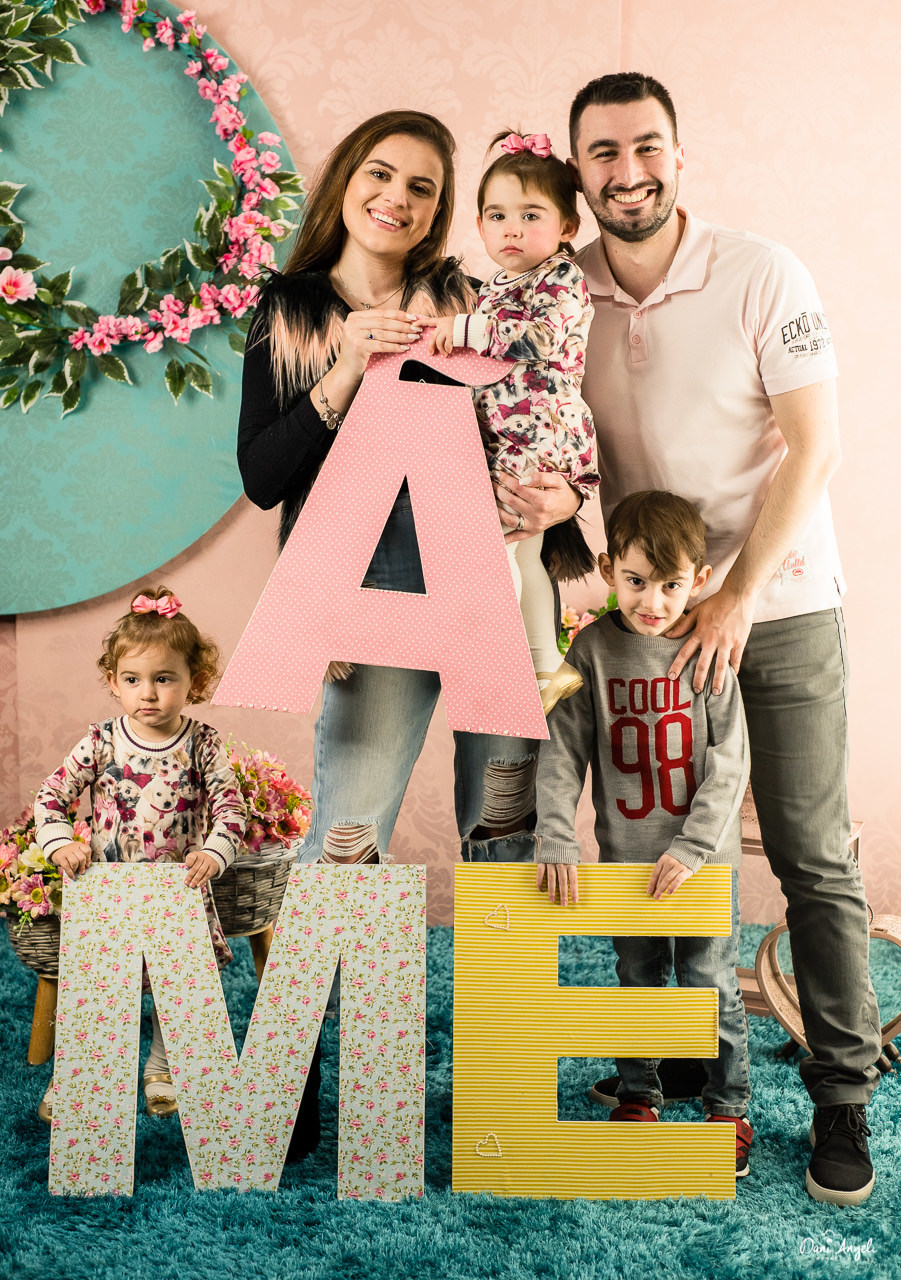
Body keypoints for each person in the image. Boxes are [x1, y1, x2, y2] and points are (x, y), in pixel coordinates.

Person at [236, 110, 582, 1152]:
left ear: (440, 212)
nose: (396, 197)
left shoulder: (469, 299)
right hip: (371, 593)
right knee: (346, 839)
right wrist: (346, 366)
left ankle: (504, 1089)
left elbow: (541, 412)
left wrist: (567, 500)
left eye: (423, 187)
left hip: (485, 585)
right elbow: (263, 477)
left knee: (502, 835)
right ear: (346, 179)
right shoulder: (291, 310)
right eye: (381, 174)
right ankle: (284, 1088)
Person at [564, 71, 881, 1206]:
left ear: (679, 154)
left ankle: (842, 1090)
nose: (628, 171)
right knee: (649, 857)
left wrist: (736, 594)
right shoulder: (558, 292)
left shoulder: (761, 271)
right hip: (645, 627)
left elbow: (815, 445)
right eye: (603, 153)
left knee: (810, 853)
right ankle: (660, 1072)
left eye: (646, 146)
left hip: (774, 607)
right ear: (577, 170)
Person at [536, 490, 753, 1176]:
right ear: (607, 569)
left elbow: (729, 762)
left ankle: (729, 1107)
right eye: (635, 581)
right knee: (636, 979)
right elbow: (561, 752)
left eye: (669, 585)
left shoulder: (703, 649)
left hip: (700, 863)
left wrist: (692, 848)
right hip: (626, 860)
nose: (651, 602)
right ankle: (638, 1094)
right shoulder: (591, 651)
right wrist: (556, 837)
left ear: (699, 580)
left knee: (709, 981)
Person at [33, 586, 245, 1124]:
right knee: (100, 989)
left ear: (195, 681)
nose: (147, 694)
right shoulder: (101, 742)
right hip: (111, 894)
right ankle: (78, 1073)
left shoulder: (203, 744)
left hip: (179, 892)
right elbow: (51, 796)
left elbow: (231, 808)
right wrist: (61, 841)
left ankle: (163, 1067)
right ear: (113, 681)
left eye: (164, 679)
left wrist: (216, 851)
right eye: (132, 680)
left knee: (180, 989)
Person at [428, 130, 598, 714]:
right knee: (523, 548)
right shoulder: (500, 284)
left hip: (539, 428)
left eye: (531, 215)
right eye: (498, 216)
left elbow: (540, 338)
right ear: (479, 225)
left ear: (567, 226)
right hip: (509, 430)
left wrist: (463, 330)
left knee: (496, 539)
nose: (512, 230)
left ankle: (497, 657)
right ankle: (545, 664)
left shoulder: (560, 277)